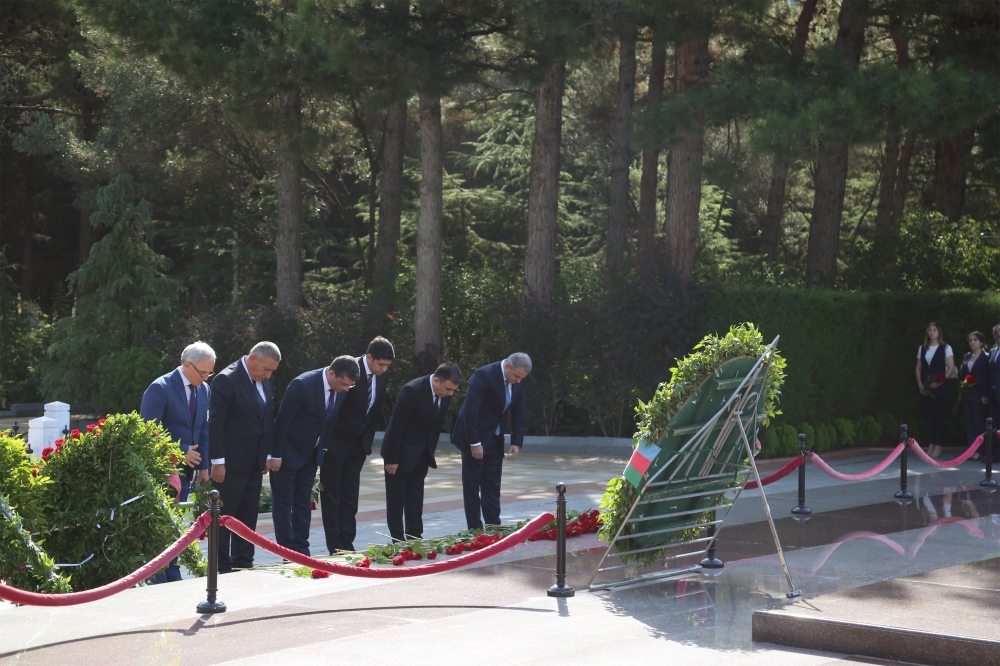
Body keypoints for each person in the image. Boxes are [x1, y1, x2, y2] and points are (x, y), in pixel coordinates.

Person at [139, 341, 216, 583]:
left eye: (209, 373)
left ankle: (172, 572)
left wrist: (203, 465)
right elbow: (148, 431)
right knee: (161, 523)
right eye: (202, 372)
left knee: (175, 524)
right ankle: (158, 576)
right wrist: (180, 451)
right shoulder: (160, 388)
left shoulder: (203, 389)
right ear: (186, 365)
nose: (205, 378)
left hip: (189, 471)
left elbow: (203, 428)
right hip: (163, 470)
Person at [270, 356, 359, 555]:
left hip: (311, 456)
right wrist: (275, 455)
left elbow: (331, 419)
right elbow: (283, 420)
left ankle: (302, 548)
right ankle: (286, 550)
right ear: (332, 373)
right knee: (284, 504)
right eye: (344, 384)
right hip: (287, 454)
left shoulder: (341, 391)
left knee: (303, 503)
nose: (346, 389)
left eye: (349, 386)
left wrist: (323, 449)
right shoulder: (303, 385)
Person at [209, 341, 281, 573]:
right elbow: (216, 423)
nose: (268, 375)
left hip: (255, 463)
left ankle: (243, 560)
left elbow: (268, 419)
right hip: (230, 464)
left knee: (248, 513)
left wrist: (268, 454)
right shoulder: (226, 380)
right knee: (224, 515)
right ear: (252, 359)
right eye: (265, 370)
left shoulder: (265, 379)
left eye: (271, 371)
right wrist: (217, 461)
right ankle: (221, 565)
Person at [320, 337, 393, 553]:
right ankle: (334, 546)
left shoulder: (383, 375)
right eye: (380, 364)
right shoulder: (350, 370)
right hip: (335, 444)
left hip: (359, 445)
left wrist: (365, 440)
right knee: (332, 495)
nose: (384, 369)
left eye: (387, 365)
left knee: (350, 496)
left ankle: (347, 542)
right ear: (369, 357)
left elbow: (373, 409)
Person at [381, 363, 462, 542]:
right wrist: (392, 459)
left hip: (421, 454)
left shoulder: (445, 394)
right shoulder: (411, 391)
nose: (451, 394)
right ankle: (397, 539)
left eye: (453, 390)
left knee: (415, 498)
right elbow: (396, 427)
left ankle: (415, 536)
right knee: (396, 500)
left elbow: (433, 427)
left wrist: (428, 452)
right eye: (448, 389)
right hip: (400, 453)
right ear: (436, 381)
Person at [451, 352, 530, 529]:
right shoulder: (483, 375)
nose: (518, 381)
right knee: (472, 485)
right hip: (473, 435)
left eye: (522, 378)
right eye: (517, 376)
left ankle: (494, 525)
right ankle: (475, 529)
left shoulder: (519, 379)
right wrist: (474, 442)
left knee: (492, 483)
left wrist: (516, 441)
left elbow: (519, 410)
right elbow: (471, 410)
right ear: (507, 366)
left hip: (495, 436)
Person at [915, 323, 954, 459]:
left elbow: (950, 368)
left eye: (934, 330)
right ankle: (930, 444)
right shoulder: (923, 348)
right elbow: (919, 367)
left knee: (939, 417)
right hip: (926, 388)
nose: (932, 332)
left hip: (940, 387)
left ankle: (939, 445)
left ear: (939, 332)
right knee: (928, 416)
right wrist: (920, 384)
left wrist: (940, 382)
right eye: (929, 330)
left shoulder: (946, 348)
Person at [961, 331, 989, 460]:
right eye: (970, 340)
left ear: (981, 342)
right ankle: (970, 450)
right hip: (967, 394)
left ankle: (979, 450)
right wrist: (962, 390)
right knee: (969, 423)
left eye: (975, 340)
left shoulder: (986, 357)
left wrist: (977, 383)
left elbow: (987, 376)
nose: (972, 342)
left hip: (979, 394)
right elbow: (962, 375)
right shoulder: (966, 356)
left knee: (978, 422)